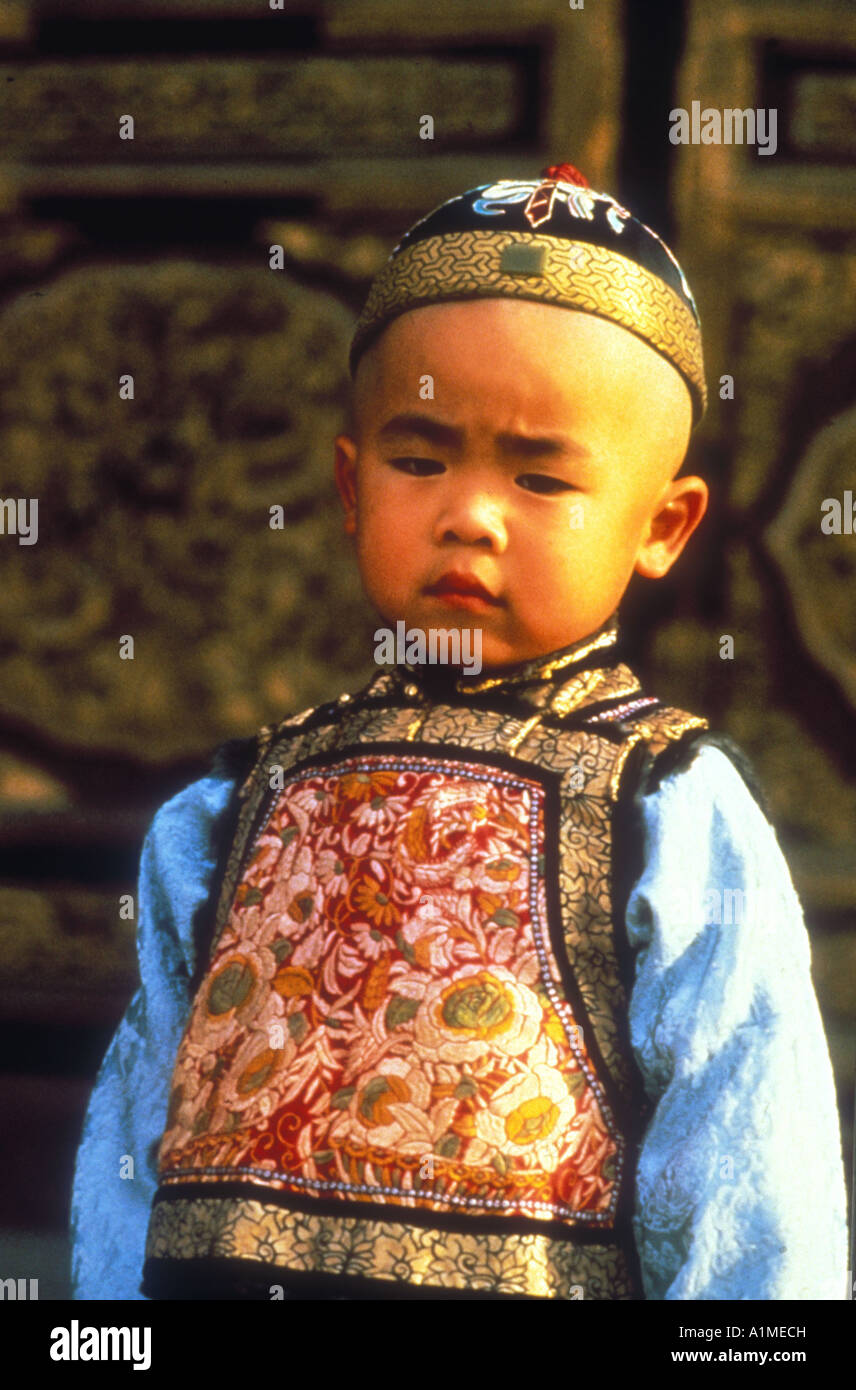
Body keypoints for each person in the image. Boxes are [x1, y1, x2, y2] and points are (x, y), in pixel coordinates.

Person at [70, 163, 849, 1300]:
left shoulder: (664, 803)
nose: (470, 513)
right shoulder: (233, 807)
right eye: (419, 459)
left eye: (539, 476)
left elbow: (747, 1155)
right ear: (348, 486)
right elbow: (130, 1146)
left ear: (663, 525)